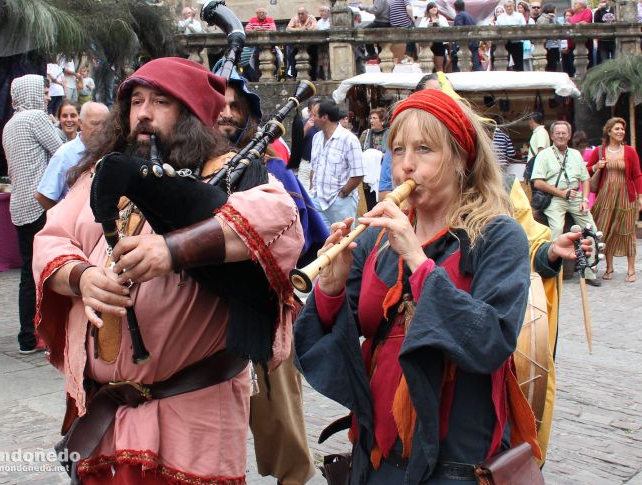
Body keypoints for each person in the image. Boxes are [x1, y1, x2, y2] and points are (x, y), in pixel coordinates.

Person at [32, 57, 303, 484]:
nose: (143, 112)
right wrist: (83, 277)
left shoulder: (228, 176)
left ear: (193, 113)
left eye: (161, 101)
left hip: (191, 411)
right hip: (105, 412)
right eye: (136, 101)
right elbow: (52, 238)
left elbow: (281, 220)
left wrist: (171, 250)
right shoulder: (100, 174)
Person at [294, 89, 541, 482]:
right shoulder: (378, 238)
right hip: (375, 448)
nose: (406, 165)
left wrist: (419, 262)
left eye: (424, 149)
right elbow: (339, 332)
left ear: (461, 158)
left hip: (454, 458)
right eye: (397, 150)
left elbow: (491, 340)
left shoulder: (498, 235)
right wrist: (331, 287)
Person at [215, 68, 324, 485]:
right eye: (219, 107)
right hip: (202, 315)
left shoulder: (275, 174)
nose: (226, 115)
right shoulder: (184, 170)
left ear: (250, 119)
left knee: (281, 413)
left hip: (262, 310)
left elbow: (312, 241)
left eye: (235, 108)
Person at [2, 74, 63, 354]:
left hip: (20, 206)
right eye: (44, 91)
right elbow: (62, 151)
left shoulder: (11, 123)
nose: (48, 97)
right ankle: (40, 332)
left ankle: (28, 335)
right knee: (48, 270)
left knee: (29, 272)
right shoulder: (36, 118)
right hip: (41, 205)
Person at [530, 120, 601, 286]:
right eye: (558, 133)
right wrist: (561, 193)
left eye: (564, 133)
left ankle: (590, 271)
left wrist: (584, 200)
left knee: (592, 230)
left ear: (569, 135)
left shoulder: (576, 154)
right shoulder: (544, 155)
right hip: (555, 197)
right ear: (552, 135)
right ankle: (553, 270)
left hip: (576, 198)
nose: (561, 136)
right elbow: (538, 182)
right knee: (556, 230)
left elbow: (585, 180)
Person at [587, 117, 642, 283]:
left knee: (626, 231)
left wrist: (640, 197)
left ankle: (631, 269)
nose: (620, 132)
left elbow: (637, 175)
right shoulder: (599, 151)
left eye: (622, 129)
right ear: (609, 131)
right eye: (617, 129)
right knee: (606, 231)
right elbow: (587, 171)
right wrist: (597, 166)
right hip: (605, 197)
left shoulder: (630, 151)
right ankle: (609, 268)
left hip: (626, 196)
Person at [35, 102, 109, 209]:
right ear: (81, 123)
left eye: (106, 124)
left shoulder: (109, 150)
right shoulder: (65, 154)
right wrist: (65, 220)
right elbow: (42, 196)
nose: (101, 129)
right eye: (95, 123)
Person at [309, 99, 364, 228]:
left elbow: (358, 174)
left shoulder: (349, 140)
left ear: (324, 117)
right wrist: (312, 190)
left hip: (340, 203)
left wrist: (342, 194)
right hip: (317, 199)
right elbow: (314, 168)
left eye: (314, 115)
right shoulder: (316, 138)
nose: (311, 118)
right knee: (321, 242)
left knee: (344, 242)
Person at [418, 2, 449, 72]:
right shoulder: (425, 19)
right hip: (427, 44)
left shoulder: (442, 18)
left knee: (439, 66)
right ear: (428, 10)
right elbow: (420, 29)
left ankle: (440, 81)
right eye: (431, 7)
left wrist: (439, 23)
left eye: (435, 7)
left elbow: (447, 28)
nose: (434, 9)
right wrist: (427, 26)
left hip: (439, 43)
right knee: (428, 66)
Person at [496, 0, 526, 71]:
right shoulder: (500, 17)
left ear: (513, 6)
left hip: (517, 42)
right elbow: (497, 29)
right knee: (504, 64)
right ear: (504, 7)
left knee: (519, 64)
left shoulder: (519, 15)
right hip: (504, 43)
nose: (509, 8)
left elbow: (524, 27)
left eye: (510, 6)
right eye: (507, 6)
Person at [452, 0, 482, 72]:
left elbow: (459, 29)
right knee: (476, 63)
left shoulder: (459, 15)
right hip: (474, 42)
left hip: (466, 43)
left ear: (455, 8)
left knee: (462, 64)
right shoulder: (470, 16)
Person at [536, 4, 561, 72]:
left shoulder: (554, 18)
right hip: (547, 46)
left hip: (555, 45)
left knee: (556, 64)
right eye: (555, 10)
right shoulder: (541, 18)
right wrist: (548, 18)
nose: (556, 11)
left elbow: (558, 28)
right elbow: (542, 28)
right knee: (550, 65)